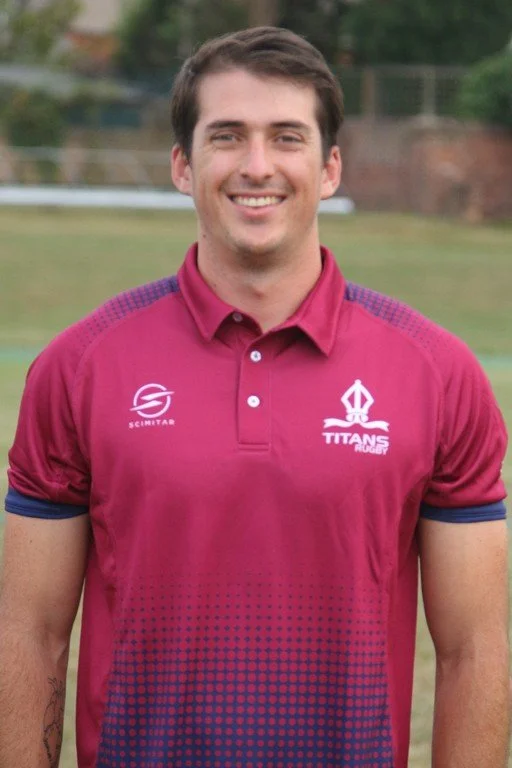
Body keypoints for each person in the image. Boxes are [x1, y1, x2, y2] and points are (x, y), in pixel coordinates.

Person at [0, 26, 509, 768]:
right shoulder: (78, 367)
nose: (257, 165)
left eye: (287, 137)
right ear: (183, 164)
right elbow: (30, 634)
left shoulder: (438, 373)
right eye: (227, 136)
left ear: (330, 169)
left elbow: (473, 649)